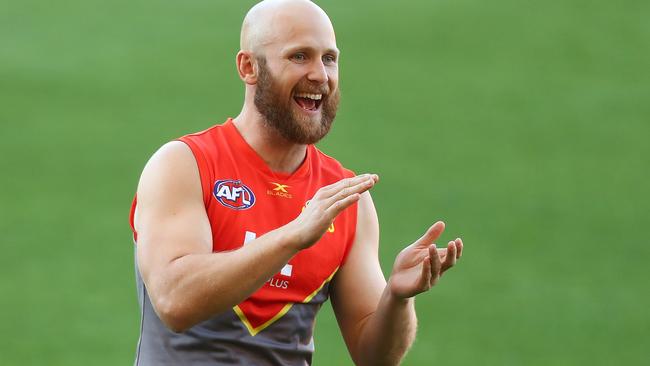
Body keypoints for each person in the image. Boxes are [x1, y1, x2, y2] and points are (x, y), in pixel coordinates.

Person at [128, 0, 464, 365]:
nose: (321, 75)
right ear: (249, 67)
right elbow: (175, 301)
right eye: (299, 57)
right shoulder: (185, 164)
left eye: (329, 58)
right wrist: (292, 235)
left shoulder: (344, 198)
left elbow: (375, 357)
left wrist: (398, 299)